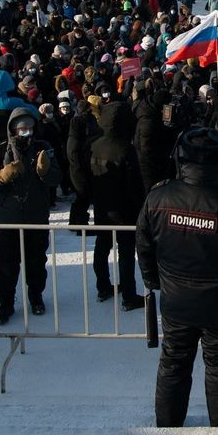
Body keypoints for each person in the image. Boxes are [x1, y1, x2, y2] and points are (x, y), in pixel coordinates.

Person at [136, 128, 218, 428]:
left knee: (174, 363)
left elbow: (144, 247)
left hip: (177, 300)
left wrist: (153, 281)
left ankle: (168, 421)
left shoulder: (158, 198)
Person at [0, 107, 62, 324]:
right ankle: (5, 304)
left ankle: (36, 297)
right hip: (9, 220)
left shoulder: (42, 148)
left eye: (30, 128)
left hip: (36, 218)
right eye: (22, 129)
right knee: (6, 267)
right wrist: (2, 176)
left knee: (36, 264)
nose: (26, 132)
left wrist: (45, 173)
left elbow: (57, 177)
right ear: (13, 129)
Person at [88, 101, 146, 309]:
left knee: (102, 248)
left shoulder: (94, 144)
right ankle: (129, 296)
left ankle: (103, 286)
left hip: (103, 207)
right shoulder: (125, 149)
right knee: (126, 253)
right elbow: (134, 184)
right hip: (124, 210)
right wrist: (141, 206)